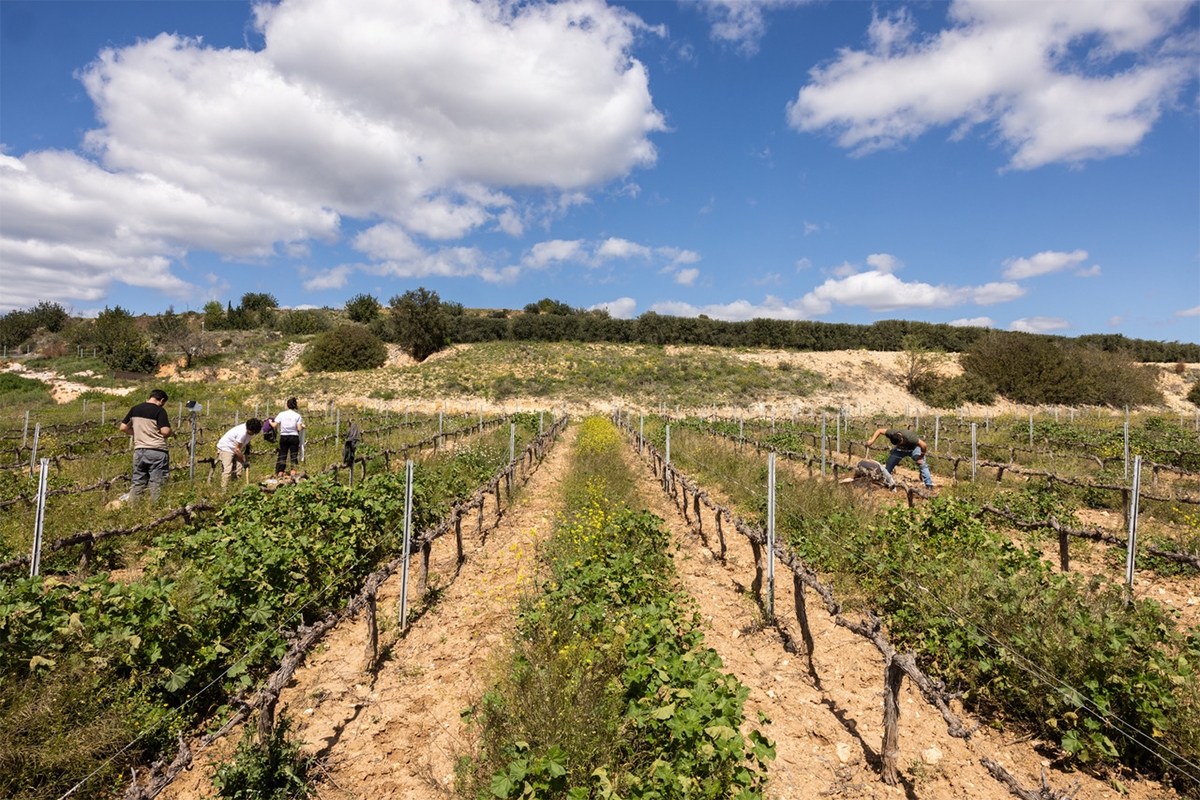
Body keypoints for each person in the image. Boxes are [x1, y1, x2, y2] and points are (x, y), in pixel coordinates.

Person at [119, 388, 172, 501]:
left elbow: (123, 427)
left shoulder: (135, 409)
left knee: (138, 482)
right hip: (156, 451)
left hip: (139, 451)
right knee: (157, 483)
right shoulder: (159, 411)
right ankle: (156, 509)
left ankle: (134, 507)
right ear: (161, 400)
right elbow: (165, 432)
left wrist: (138, 433)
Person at [866, 425, 934, 490]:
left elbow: (924, 445)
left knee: (922, 464)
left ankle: (929, 485)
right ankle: (886, 481)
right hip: (899, 450)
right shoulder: (891, 433)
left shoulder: (910, 437)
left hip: (914, 449)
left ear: (902, 438)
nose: (898, 444)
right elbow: (879, 430)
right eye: (897, 444)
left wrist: (921, 456)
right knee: (890, 463)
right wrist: (872, 441)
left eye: (899, 443)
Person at [217, 418, 262, 489]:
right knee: (228, 470)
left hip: (236, 448)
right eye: (250, 431)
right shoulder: (242, 433)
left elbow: (246, 440)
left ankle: (235, 487)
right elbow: (237, 449)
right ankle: (224, 491)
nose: (251, 433)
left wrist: (247, 447)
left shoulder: (252, 432)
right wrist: (244, 461)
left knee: (239, 469)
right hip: (226, 448)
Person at [274, 397, 304, 475]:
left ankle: (281, 471)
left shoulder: (281, 414)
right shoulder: (297, 415)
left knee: (283, 453)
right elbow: (299, 428)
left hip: (283, 436)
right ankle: (293, 471)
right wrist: (303, 426)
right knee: (293, 454)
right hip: (294, 436)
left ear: (287, 405)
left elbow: (274, 425)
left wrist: (269, 422)